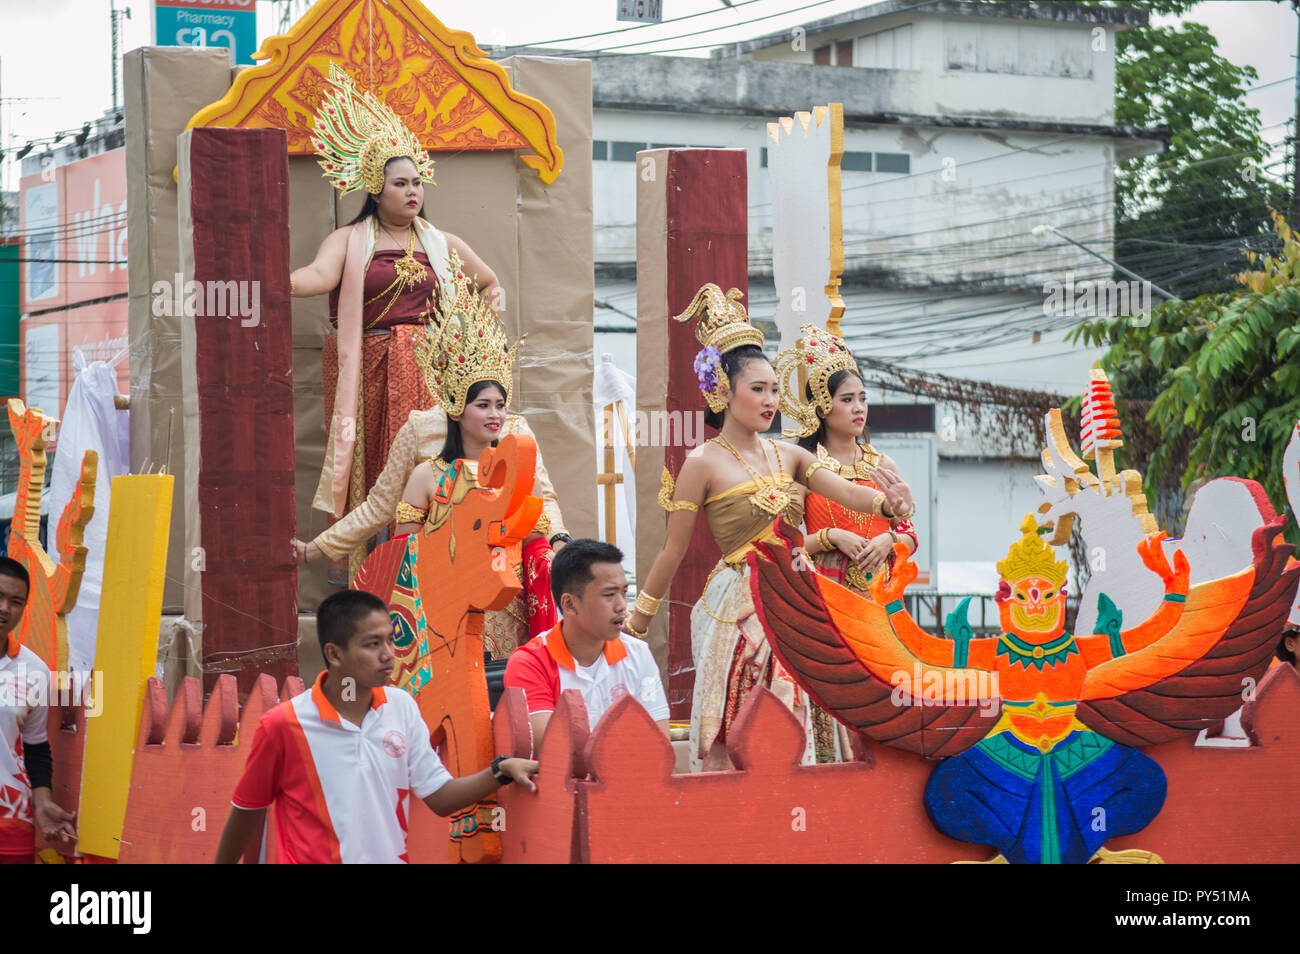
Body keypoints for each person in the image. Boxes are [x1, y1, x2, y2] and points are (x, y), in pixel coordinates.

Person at [627, 286, 914, 771]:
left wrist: (889, 502)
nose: (769, 400)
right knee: (747, 708)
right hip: (739, 594)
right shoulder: (703, 462)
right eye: (757, 389)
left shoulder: (790, 453)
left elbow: (846, 492)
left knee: (805, 701)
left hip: (797, 589)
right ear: (723, 390)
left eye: (774, 389)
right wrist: (637, 621)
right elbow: (672, 551)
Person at [290, 64, 501, 577]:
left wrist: (485, 318)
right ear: (375, 188)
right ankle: (375, 575)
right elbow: (317, 277)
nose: (413, 192)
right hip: (369, 366)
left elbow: (490, 283)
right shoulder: (349, 239)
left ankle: (444, 566)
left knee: (432, 462)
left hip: (431, 369)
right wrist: (264, 278)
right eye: (400, 183)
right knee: (376, 475)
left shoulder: (442, 243)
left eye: (417, 183)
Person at [296, 265, 569, 658]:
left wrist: (558, 542)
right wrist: (314, 550)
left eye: (500, 404)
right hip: (448, 590)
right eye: (482, 404)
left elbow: (544, 500)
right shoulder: (423, 434)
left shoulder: (517, 431)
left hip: (510, 586)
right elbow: (381, 509)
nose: (495, 415)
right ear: (452, 393)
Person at [214, 590, 538, 864]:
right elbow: (247, 810)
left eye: (390, 641)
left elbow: (440, 796)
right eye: (372, 645)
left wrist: (499, 771)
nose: (388, 655)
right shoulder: (282, 725)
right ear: (334, 654)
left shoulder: (402, 708)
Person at [776, 323, 918, 596]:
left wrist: (888, 540)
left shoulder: (883, 465)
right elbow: (783, 545)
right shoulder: (806, 468)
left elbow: (910, 534)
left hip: (881, 593)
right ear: (822, 408)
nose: (858, 408)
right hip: (826, 594)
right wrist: (829, 537)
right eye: (847, 399)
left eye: (862, 399)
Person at [505, 540, 668, 745]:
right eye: (609, 595)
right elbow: (552, 748)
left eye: (624, 593)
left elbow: (659, 744)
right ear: (570, 604)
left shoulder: (638, 653)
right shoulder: (530, 663)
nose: (621, 606)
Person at [0, 558, 77, 862]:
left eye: (15, 601)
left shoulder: (34, 670)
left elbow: (35, 747)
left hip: (10, 822)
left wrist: (42, 801)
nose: (5, 608)